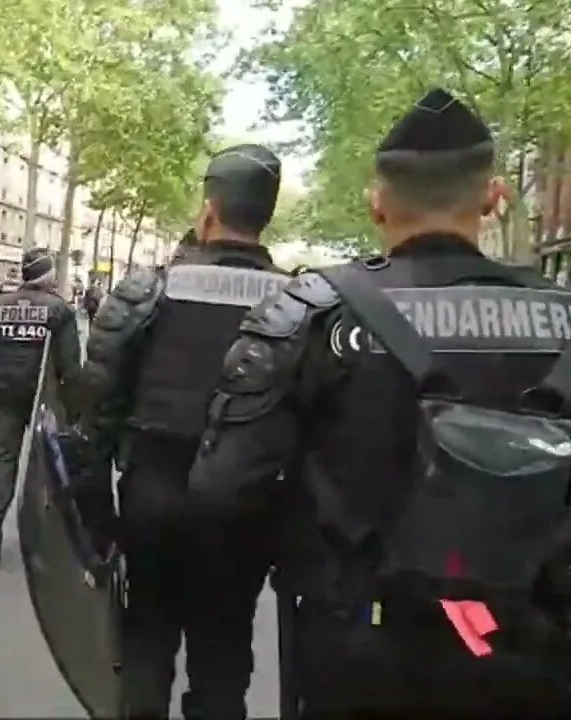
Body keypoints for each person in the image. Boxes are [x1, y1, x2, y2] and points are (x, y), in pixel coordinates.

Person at [189, 89, 571, 718]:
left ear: (376, 204)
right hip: (530, 649)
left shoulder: (313, 312)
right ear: (494, 198)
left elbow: (222, 489)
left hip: (358, 644)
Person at [78, 144, 287, 719]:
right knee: (223, 659)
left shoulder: (146, 292)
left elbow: (93, 415)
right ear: (264, 215)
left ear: (208, 210)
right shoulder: (299, 305)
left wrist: (96, 520)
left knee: (145, 646)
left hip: (153, 503)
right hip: (243, 515)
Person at [0, 247, 81, 567]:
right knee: (44, 462)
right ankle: (40, 537)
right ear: (47, 276)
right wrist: (72, 408)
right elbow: (71, 367)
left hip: (5, 392)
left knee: (4, 456)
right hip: (43, 396)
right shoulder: (59, 311)